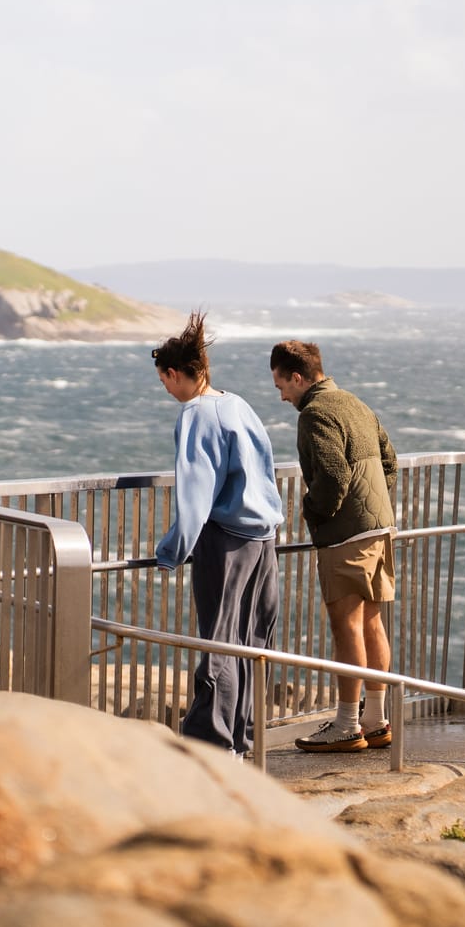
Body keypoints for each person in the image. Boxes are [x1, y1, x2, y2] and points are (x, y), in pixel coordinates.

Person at [153, 312, 283, 758]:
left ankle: (212, 744)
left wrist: (172, 550)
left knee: (219, 642)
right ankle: (241, 738)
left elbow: (196, 491)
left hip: (225, 539)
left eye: (165, 381)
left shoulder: (197, 415)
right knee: (252, 641)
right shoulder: (237, 404)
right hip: (263, 536)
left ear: (175, 373)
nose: (167, 391)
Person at [270, 339, 399, 753]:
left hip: (345, 535)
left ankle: (347, 724)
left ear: (297, 377)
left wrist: (312, 511)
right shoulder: (354, 403)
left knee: (346, 627)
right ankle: (376, 720)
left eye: (281, 386)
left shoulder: (315, 413)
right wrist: (371, 507)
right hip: (379, 529)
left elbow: (331, 476)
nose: (281, 395)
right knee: (372, 623)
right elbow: (389, 462)